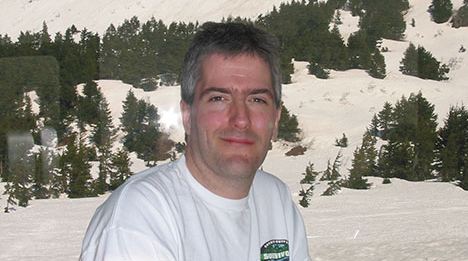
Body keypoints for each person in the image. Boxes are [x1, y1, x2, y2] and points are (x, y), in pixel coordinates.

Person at [80, 22, 311, 261]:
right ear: (187, 116)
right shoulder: (140, 217)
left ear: (276, 118)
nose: (241, 119)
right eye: (219, 98)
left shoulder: (275, 199)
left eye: (257, 100)